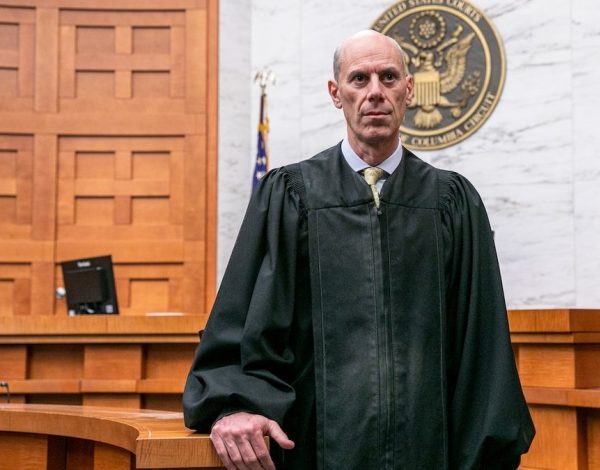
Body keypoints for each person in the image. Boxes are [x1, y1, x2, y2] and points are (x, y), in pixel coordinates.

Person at [183, 30, 534, 469]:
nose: (375, 93)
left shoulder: (450, 203)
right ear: (336, 93)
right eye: (359, 79)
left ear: (409, 90)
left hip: (428, 451)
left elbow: (481, 344)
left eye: (388, 78)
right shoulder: (292, 195)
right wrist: (235, 404)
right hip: (314, 450)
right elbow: (245, 318)